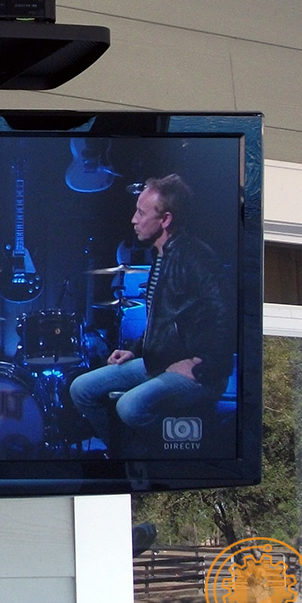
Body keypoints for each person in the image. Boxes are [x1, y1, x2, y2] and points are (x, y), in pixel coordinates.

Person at [70, 174, 235, 454]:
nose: (134, 220)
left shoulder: (196, 258)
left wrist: (201, 365)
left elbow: (226, 314)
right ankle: (126, 455)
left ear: (165, 220)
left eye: (142, 213)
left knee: (130, 406)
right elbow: (163, 322)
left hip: (200, 373)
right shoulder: (161, 255)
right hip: (158, 362)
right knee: (81, 388)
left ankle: (165, 458)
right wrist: (134, 350)